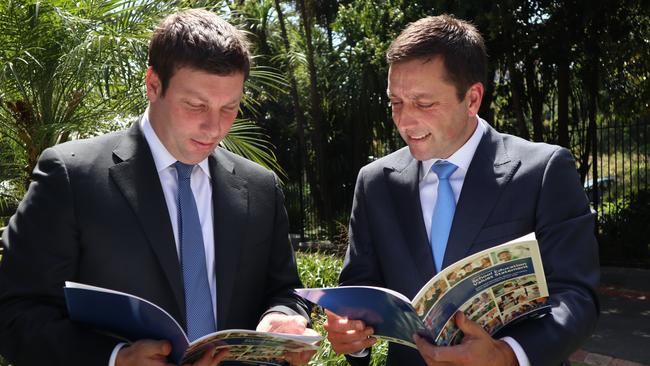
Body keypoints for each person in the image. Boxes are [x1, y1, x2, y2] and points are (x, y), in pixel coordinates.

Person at [0, 9, 315, 366]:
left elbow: (285, 291)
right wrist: (115, 358)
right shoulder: (71, 177)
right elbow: (14, 313)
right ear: (153, 85)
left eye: (229, 108)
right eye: (195, 105)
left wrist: (283, 317)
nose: (214, 127)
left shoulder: (260, 187)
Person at [323, 14, 599, 366]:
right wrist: (352, 337)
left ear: (472, 99)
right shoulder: (375, 182)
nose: (405, 121)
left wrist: (507, 355)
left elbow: (576, 297)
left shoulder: (543, 171)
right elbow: (358, 293)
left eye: (424, 103)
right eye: (395, 102)